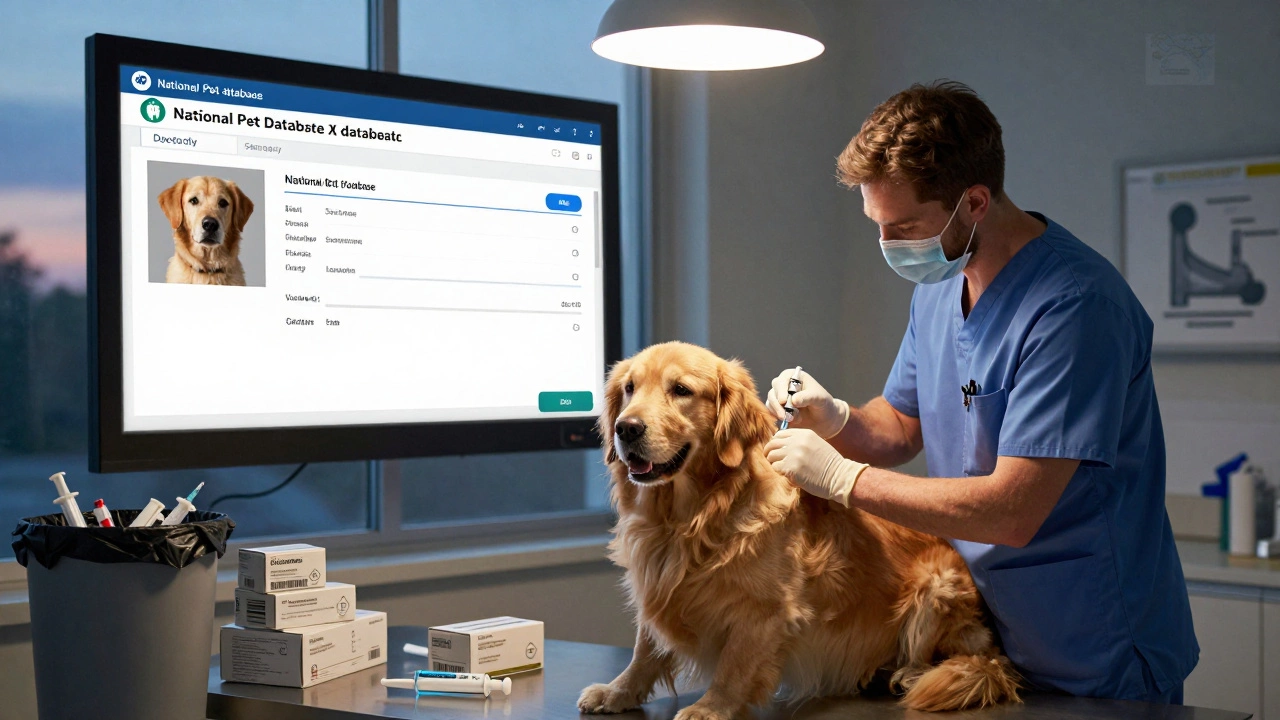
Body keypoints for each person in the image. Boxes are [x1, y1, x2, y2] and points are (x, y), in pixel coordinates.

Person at [762, 80, 1198, 703]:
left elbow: (1013, 512)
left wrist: (843, 480)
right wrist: (835, 419)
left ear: (974, 202)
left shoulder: (1075, 307)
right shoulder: (938, 291)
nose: (888, 245)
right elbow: (902, 426)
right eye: (878, 224)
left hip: (1092, 641)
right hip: (982, 630)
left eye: (905, 225)